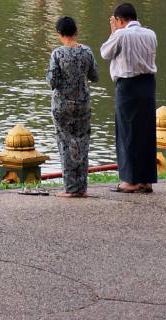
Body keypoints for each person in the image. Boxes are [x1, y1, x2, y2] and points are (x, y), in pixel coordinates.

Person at [101, 2, 158, 193]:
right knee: (146, 132)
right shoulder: (150, 33)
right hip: (148, 85)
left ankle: (130, 181)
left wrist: (113, 32)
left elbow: (104, 53)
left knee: (127, 132)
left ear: (119, 20)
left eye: (115, 21)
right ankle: (146, 180)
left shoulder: (120, 34)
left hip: (127, 86)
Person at [47, 15, 98, 197]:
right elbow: (95, 76)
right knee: (82, 142)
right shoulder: (87, 52)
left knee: (65, 143)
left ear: (59, 33)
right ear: (76, 32)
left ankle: (70, 189)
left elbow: (52, 82)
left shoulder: (57, 54)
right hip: (83, 104)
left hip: (62, 105)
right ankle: (81, 188)